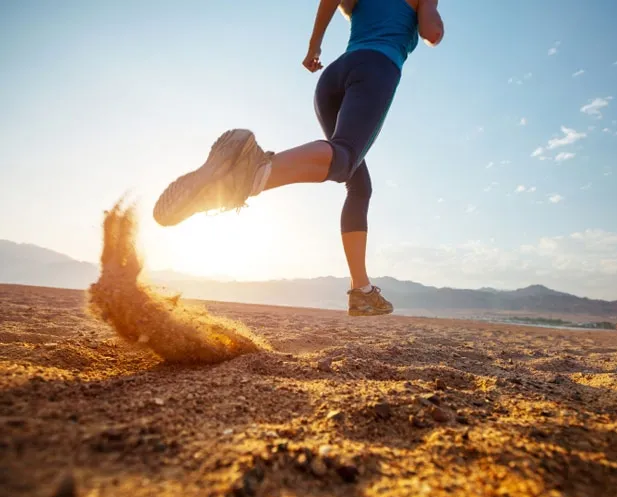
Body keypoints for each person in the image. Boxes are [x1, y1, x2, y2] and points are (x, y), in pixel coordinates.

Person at [153, 0, 444, 316]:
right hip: (376, 68)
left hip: (332, 78)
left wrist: (314, 46)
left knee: (359, 185)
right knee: (344, 158)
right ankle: (253, 171)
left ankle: (361, 290)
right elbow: (432, 32)